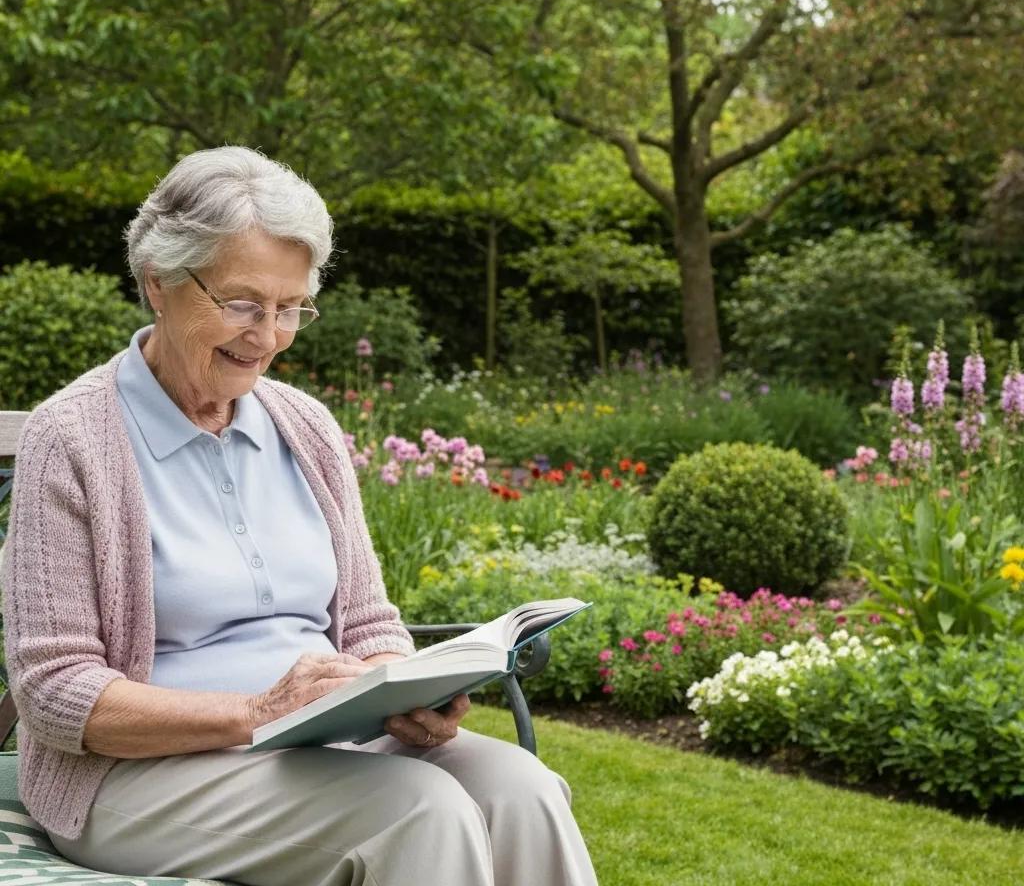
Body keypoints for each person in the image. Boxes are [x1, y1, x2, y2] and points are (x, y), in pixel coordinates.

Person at [2, 146, 598, 886]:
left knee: (522, 791)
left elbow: (369, 623)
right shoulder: (73, 438)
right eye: (243, 303)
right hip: (136, 777)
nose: (269, 335)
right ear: (158, 282)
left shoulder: (304, 426)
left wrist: (403, 689)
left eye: (290, 309)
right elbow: (54, 692)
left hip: (325, 745)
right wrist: (256, 710)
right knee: (420, 810)